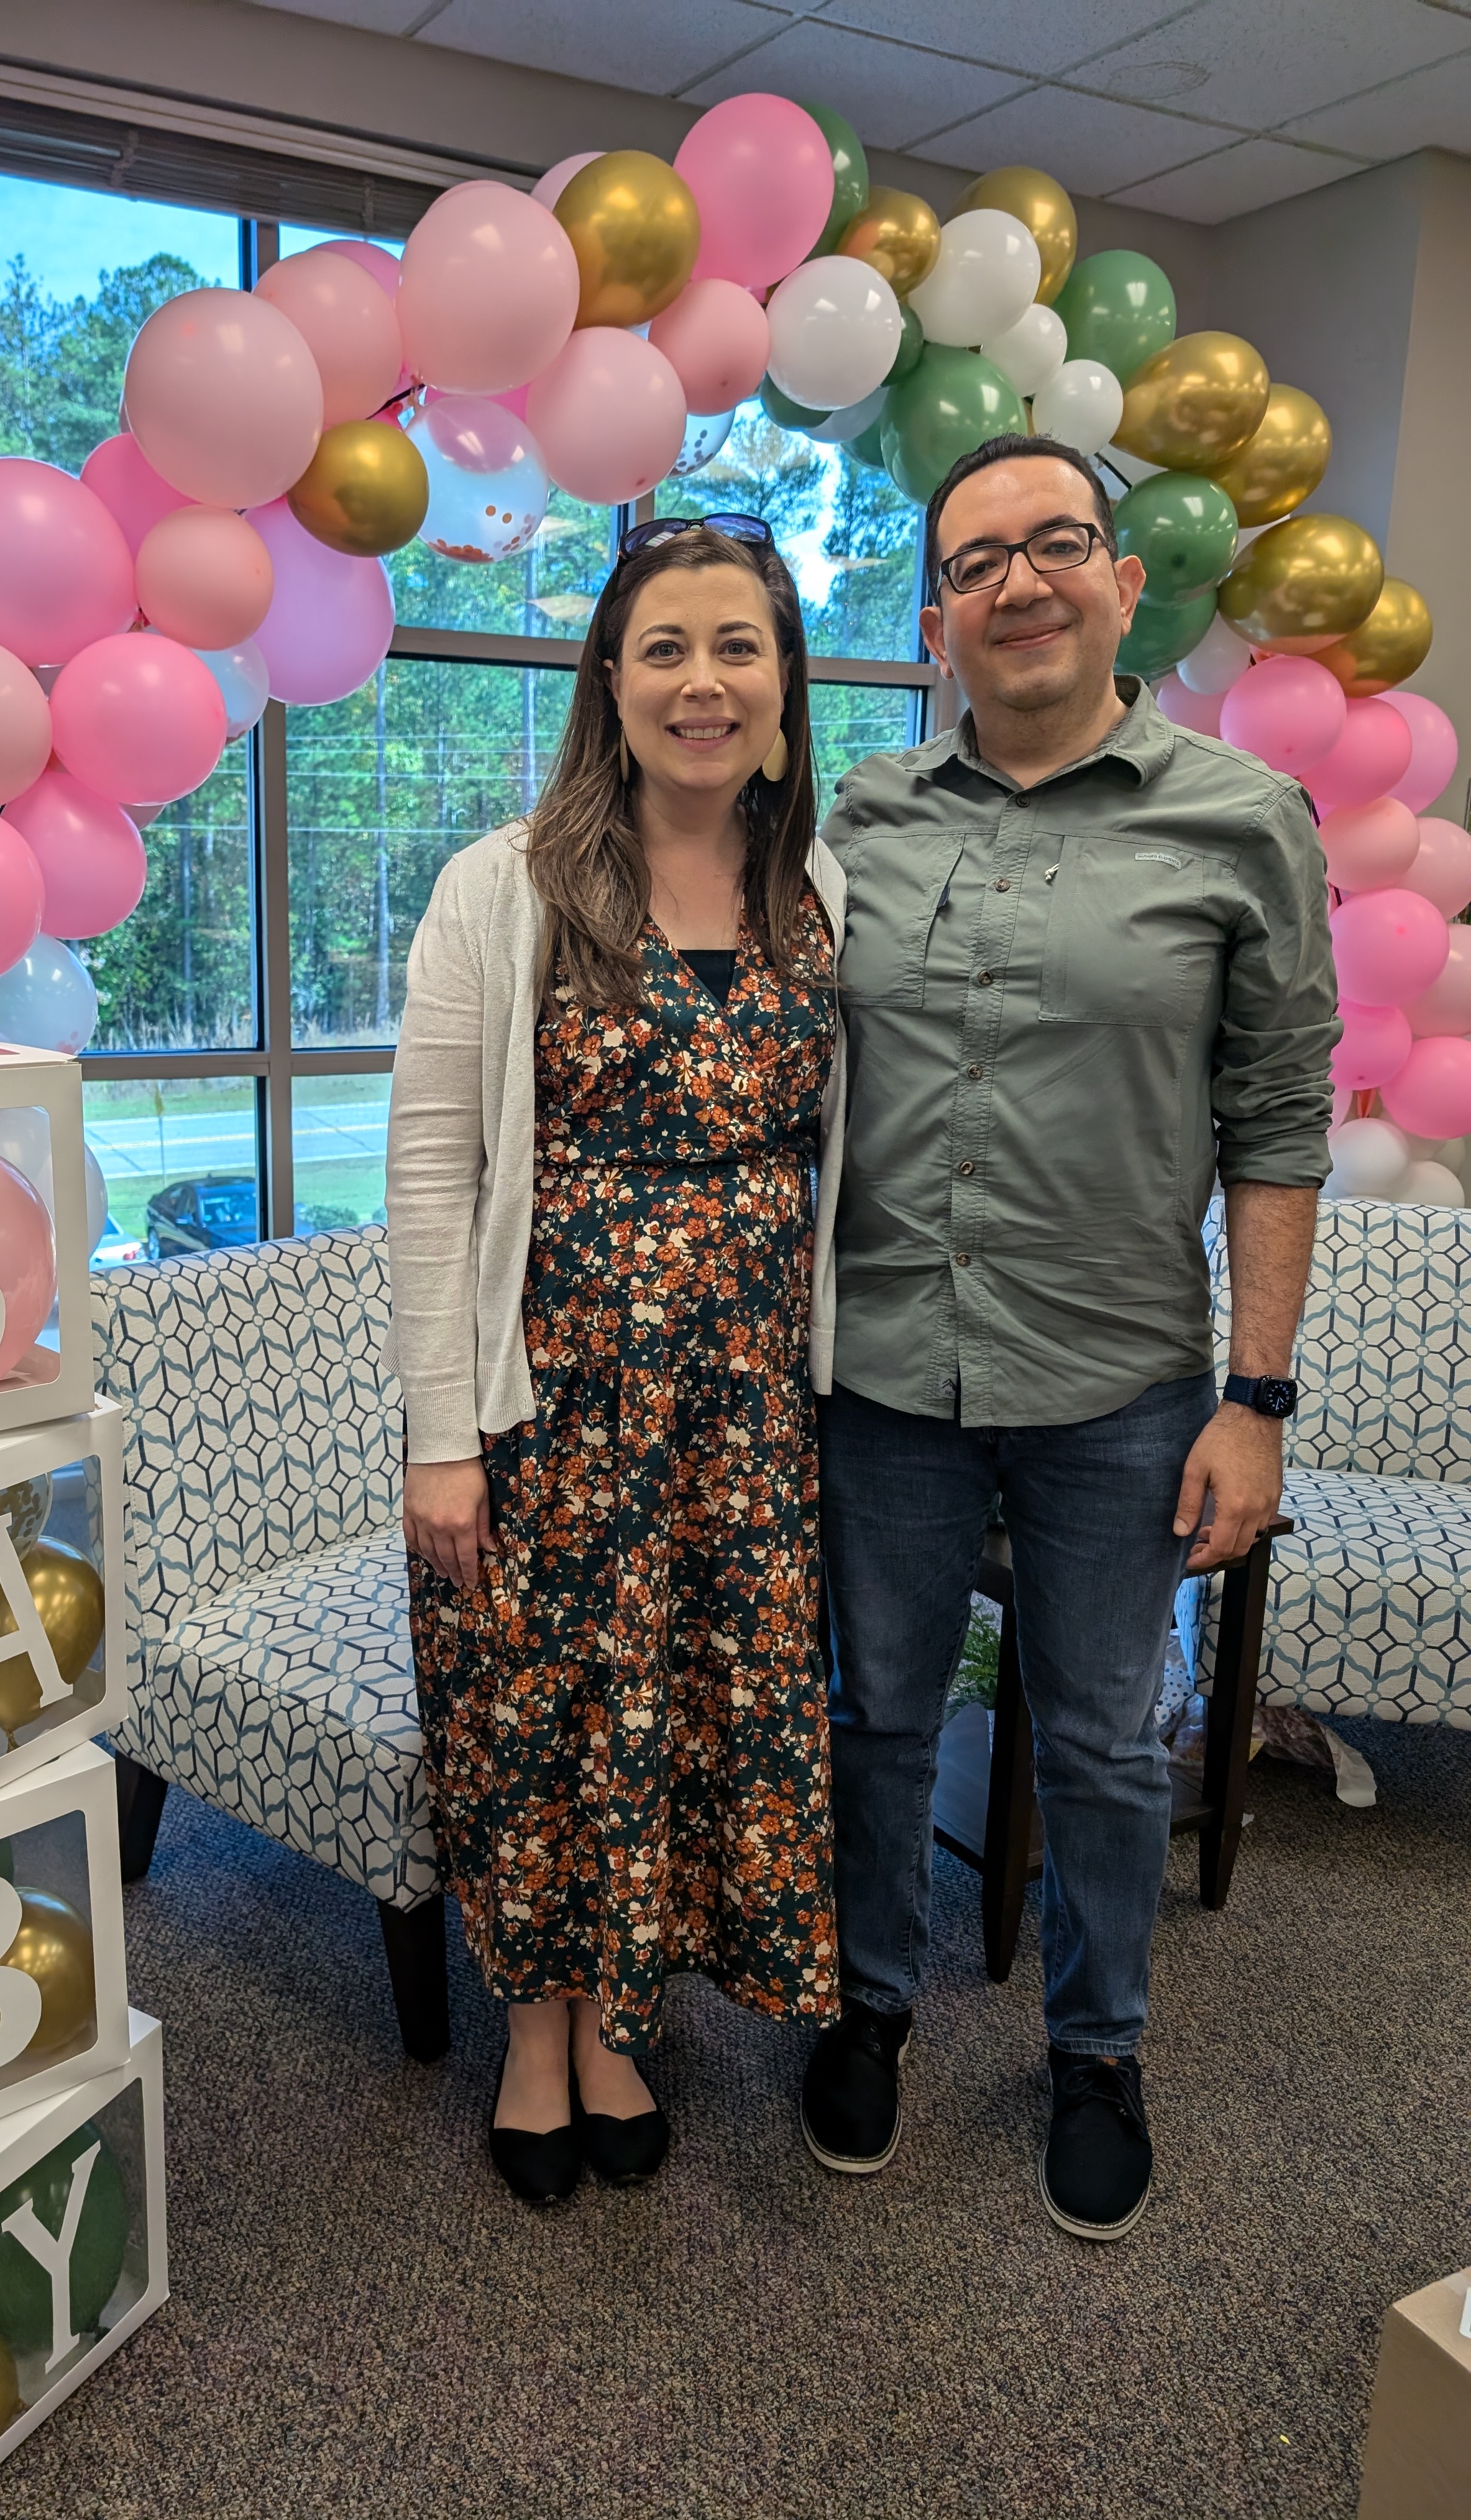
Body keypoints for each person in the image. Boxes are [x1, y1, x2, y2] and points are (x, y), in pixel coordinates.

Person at [802, 434, 1338, 2241]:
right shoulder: (860, 825)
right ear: (938, 614)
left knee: (1107, 1741)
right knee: (877, 1717)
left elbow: (1278, 1124)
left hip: (1121, 1383)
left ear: (1122, 581)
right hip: (883, 1374)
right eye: (976, 561)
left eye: (1057, 545)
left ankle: (1095, 2049)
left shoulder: (1243, 821)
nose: (1018, 582)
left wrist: (1255, 1400)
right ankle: (869, 1999)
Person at [387, 519, 847, 2204]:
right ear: (609, 675)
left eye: (739, 645)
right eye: (665, 647)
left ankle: (622, 2024)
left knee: (685, 1717)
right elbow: (434, 1170)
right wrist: (445, 1433)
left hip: (744, 1413)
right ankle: (534, 2034)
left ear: (785, 680)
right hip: (544, 1403)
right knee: (537, 1716)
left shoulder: (819, 888)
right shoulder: (500, 883)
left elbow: (827, 1155)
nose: (702, 681)